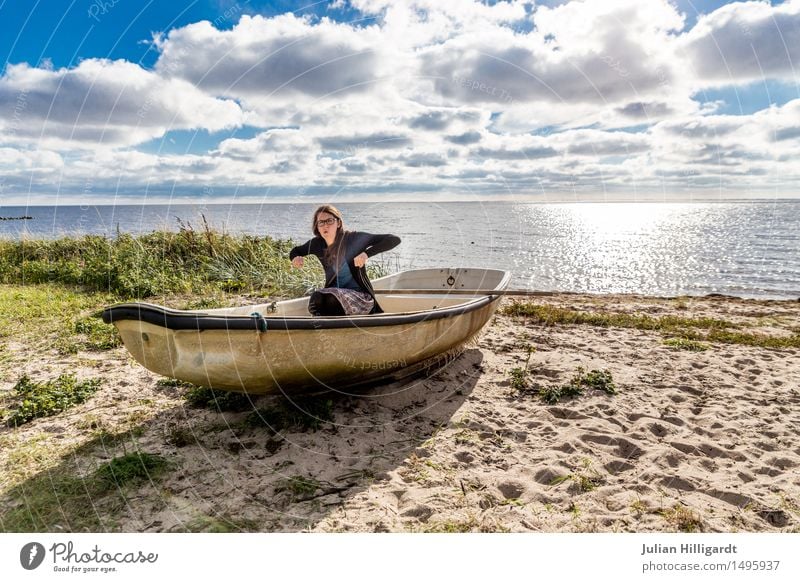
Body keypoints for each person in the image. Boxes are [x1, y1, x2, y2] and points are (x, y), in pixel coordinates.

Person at [289, 205, 401, 316]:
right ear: (317, 226)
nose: (325, 225)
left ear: (338, 223)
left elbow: (394, 239)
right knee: (316, 299)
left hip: (360, 297)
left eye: (329, 221)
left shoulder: (354, 239)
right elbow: (295, 251)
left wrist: (366, 254)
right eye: (321, 222)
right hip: (333, 293)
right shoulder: (317, 244)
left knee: (331, 300)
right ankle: (324, 328)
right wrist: (296, 258)